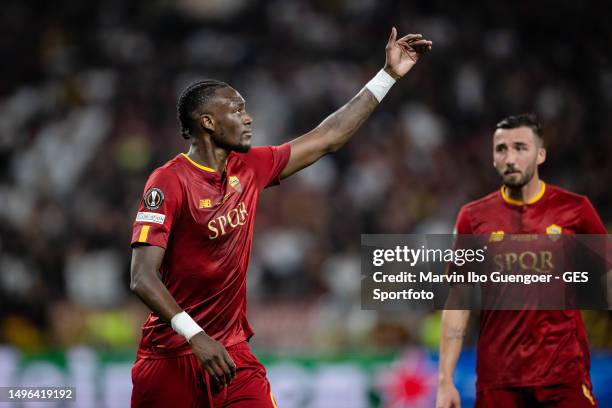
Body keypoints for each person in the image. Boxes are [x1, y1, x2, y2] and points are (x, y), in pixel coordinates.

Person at [129, 27, 432, 407]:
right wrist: (195, 334)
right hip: (169, 359)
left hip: (231, 356)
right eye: (237, 109)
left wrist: (386, 76)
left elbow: (328, 137)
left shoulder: (250, 167)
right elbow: (141, 276)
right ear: (207, 122)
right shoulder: (168, 181)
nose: (249, 117)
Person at [435, 113, 607, 408]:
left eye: (520, 148)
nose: (510, 158)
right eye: (501, 149)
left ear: (540, 154)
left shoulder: (576, 210)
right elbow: (458, 302)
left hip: (563, 376)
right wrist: (445, 380)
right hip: (499, 381)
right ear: (492, 157)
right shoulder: (473, 218)